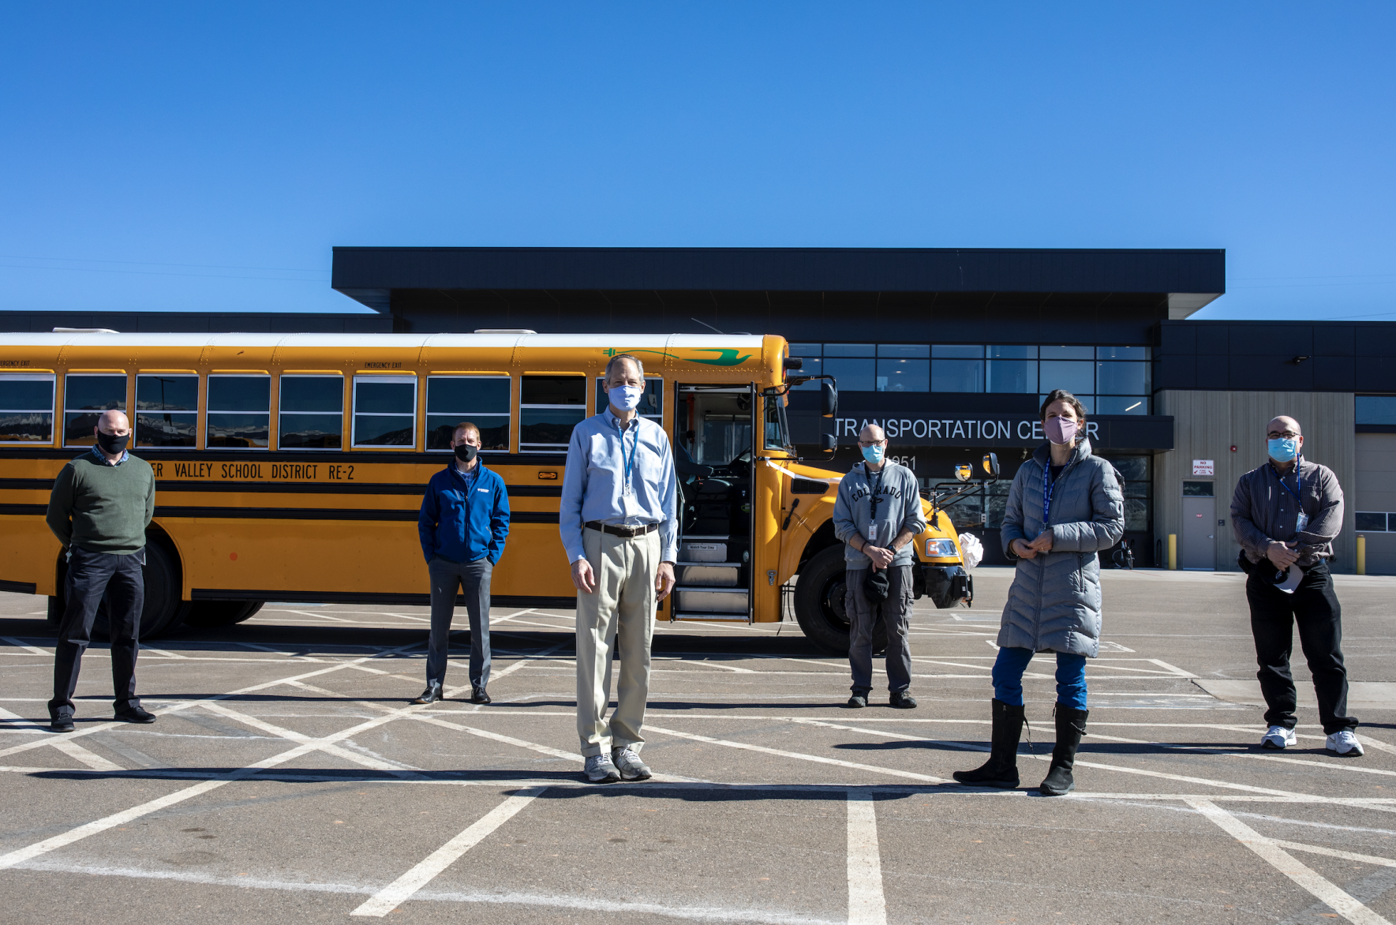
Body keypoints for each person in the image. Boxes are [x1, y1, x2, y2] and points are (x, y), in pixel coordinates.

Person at [953, 390, 1123, 796]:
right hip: (1028, 587)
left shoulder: (1097, 470)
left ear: (1080, 423)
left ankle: (1062, 768)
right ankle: (1002, 766)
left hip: (1072, 588)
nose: (1058, 422)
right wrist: (1015, 544)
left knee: (1070, 678)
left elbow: (1112, 527)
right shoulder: (1030, 471)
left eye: (1065, 415)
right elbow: (1010, 522)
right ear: (1042, 422)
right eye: (1051, 415)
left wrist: (1057, 536)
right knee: (1004, 673)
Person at [560, 354, 677, 783]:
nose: (625, 386)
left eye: (632, 381)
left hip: (646, 543)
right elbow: (570, 502)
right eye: (617, 380)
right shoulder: (585, 433)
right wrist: (576, 555)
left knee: (639, 651)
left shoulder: (657, 436)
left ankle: (626, 745)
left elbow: (670, 503)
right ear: (605, 386)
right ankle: (594, 750)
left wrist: (668, 557)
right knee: (594, 650)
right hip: (600, 544)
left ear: (644, 387)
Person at [1231, 415, 1361, 756]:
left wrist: (1294, 549)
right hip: (1266, 575)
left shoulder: (1321, 476)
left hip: (1311, 574)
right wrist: (1268, 548)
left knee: (1326, 655)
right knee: (1272, 656)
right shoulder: (1250, 481)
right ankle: (1281, 723)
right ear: (1266, 441)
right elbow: (1240, 520)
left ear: (1300, 440)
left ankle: (1338, 729)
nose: (1281, 439)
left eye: (1287, 434)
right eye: (1274, 434)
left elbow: (1332, 516)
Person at [44, 409, 157, 733]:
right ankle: (61, 707)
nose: (115, 436)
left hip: (130, 561)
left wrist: (127, 540)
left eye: (121, 431)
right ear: (96, 432)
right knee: (75, 634)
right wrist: (79, 544)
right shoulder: (77, 469)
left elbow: (146, 513)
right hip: (90, 561)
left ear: (130, 433)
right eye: (109, 430)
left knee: (128, 635)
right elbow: (55, 516)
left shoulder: (142, 470)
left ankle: (127, 704)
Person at [415, 422, 511, 705]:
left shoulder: (493, 482)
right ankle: (434, 686)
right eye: (460, 440)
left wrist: (491, 557)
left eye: (470, 440)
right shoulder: (439, 481)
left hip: (478, 564)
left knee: (480, 630)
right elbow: (425, 521)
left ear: (479, 445)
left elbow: (501, 522)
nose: (465, 445)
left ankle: (479, 687)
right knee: (438, 629)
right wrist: (431, 557)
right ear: (452, 445)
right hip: (443, 563)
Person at [832, 423, 926, 709]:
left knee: (898, 628)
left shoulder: (904, 476)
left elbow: (916, 521)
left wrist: (890, 551)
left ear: (886, 443)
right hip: (859, 563)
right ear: (859, 446)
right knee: (860, 629)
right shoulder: (849, 481)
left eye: (877, 442)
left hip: (897, 563)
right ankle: (860, 689)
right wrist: (870, 550)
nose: (872, 447)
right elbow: (841, 525)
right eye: (866, 443)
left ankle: (900, 691)